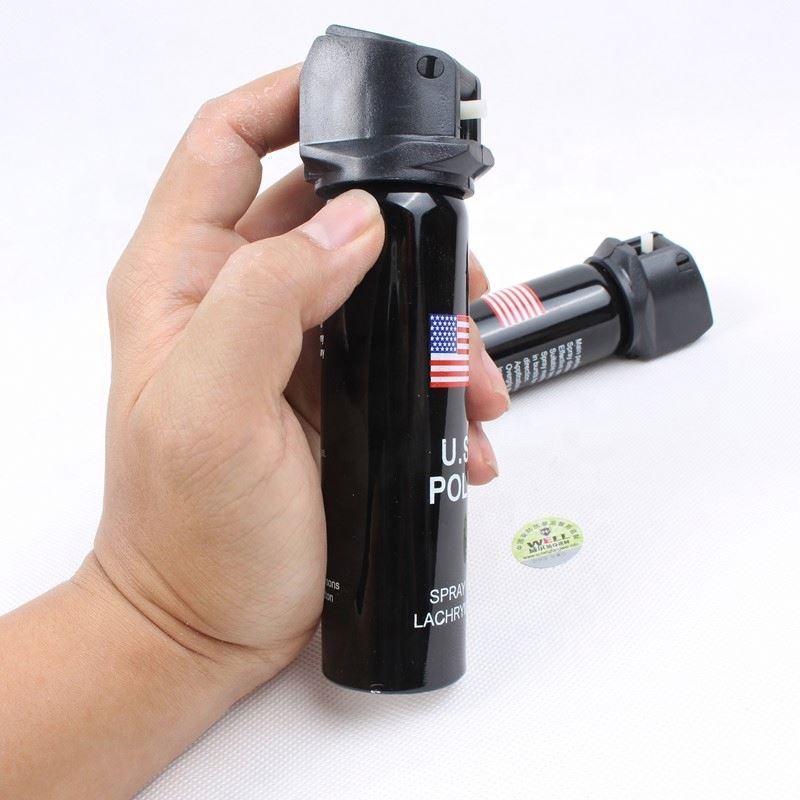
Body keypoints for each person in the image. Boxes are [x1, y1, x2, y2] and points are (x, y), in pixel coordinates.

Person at [0, 63, 510, 800]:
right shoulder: (417, 216)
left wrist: (165, 617)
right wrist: (166, 610)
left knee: (442, 383)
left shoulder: (430, 218)